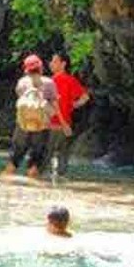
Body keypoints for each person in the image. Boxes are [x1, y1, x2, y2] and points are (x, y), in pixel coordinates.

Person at [4, 54, 58, 179]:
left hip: (22, 125)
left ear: (26, 69)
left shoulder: (22, 82)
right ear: (41, 68)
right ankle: (32, 189)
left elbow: (20, 99)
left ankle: (6, 184)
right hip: (41, 127)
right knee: (35, 160)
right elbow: (54, 107)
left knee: (14, 158)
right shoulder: (49, 83)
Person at [48, 52, 91, 180]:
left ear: (63, 64)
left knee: (46, 157)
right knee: (62, 158)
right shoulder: (70, 80)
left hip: (53, 124)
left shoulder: (51, 81)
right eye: (51, 61)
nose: (51, 63)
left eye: (54, 61)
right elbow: (85, 97)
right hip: (65, 124)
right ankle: (60, 184)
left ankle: (45, 185)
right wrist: (72, 105)